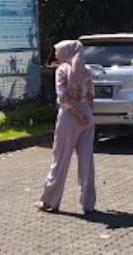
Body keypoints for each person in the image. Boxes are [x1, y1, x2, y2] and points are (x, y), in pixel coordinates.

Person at [36, 40, 96, 214]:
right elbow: (91, 95)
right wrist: (88, 116)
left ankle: (49, 200)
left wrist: (77, 115)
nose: (56, 55)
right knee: (87, 161)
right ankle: (88, 202)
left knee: (60, 159)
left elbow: (62, 98)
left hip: (71, 116)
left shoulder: (62, 70)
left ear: (67, 52)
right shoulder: (87, 71)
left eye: (57, 51)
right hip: (87, 116)